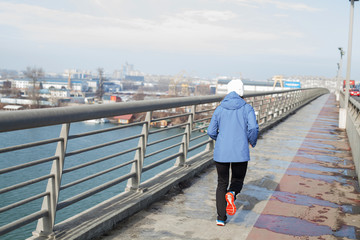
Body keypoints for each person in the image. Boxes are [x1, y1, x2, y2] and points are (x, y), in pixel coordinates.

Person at [207, 79, 258, 226]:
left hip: (221, 153)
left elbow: (210, 131)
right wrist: (251, 141)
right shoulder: (247, 108)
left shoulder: (219, 108)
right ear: (242, 92)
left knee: (221, 183)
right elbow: (253, 128)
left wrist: (220, 139)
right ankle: (232, 193)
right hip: (240, 152)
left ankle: (220, 218)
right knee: (237, 180)